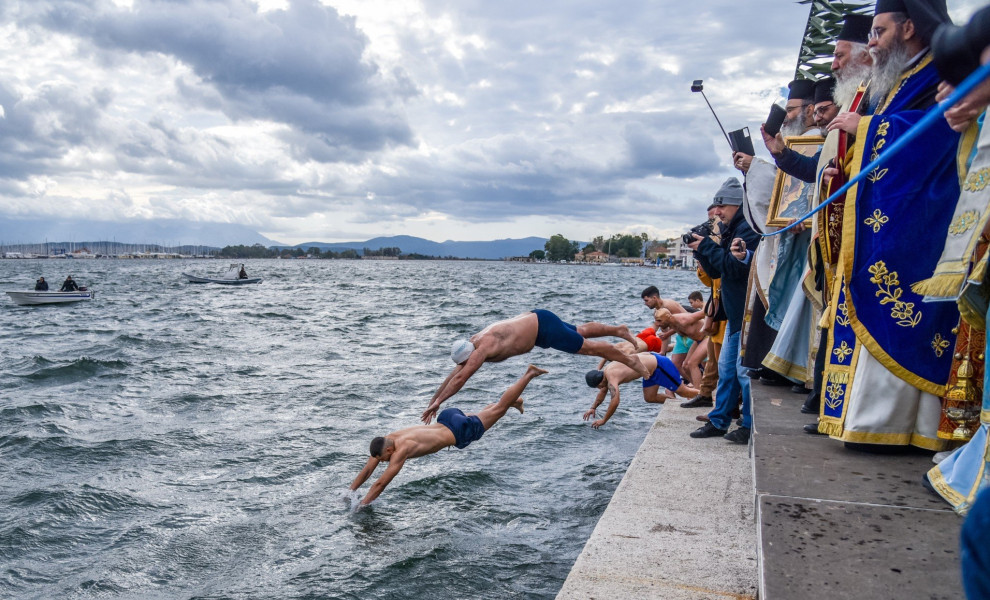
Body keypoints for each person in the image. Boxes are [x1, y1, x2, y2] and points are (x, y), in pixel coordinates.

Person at [818, 0, 960, 451]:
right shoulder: (901, 76)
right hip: (893, 209)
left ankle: (893, 424)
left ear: (910, 27)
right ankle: (870, 419)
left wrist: (869, 127)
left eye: (878, 32)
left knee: (899, 304)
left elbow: (941, 131)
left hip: (921, 214)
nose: (872, 43)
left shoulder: (941, 69)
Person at [351, 365, 547, 506]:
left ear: (388, 450)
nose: (384, 462)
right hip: (447, 418)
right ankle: (515, 402)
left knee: (500, 409)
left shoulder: (402, 450)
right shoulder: (390, 438)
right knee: (486, 413)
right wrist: (350, 491)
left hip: (459, 431)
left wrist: (361, 506)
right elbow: (368, 470)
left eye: (385, 459)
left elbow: (380, 483)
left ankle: (528, 375)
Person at [422, 310, 649, 423]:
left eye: (465, 363)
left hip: (543, 330)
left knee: (590, 348)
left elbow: (461, 379)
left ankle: (630, 360)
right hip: (538, 320)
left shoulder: (480, 350)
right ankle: (618, 330)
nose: (465, 366)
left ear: (468, 356)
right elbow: (454, 375)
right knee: (581, 331)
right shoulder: (472, 342)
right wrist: (434, 401)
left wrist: (440, 402)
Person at [688, 178, 761, 443]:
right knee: (728, 371)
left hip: (748, 313)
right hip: (735, 314)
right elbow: (717, 271)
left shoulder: (748, 229)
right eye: (716, 206)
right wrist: (701, 252)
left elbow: (735, 267)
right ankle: (719, 421)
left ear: (739, 205)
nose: (717, 211)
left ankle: (748, 424)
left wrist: (707, 246)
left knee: (742, 373)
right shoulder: (732, 228)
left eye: (723, 206)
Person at [583, 352, 699, 428]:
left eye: (598, 387)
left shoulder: (611, 377)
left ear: (600, 382)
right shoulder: (605, 374)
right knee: (650, 397)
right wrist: (593, 408)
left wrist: (604, 420)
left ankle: (708, 397)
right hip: (649, 372)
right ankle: (674, 402)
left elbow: (615, 401)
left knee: (684, 392)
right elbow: (603, 391)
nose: (600, 389)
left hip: (659, 366)